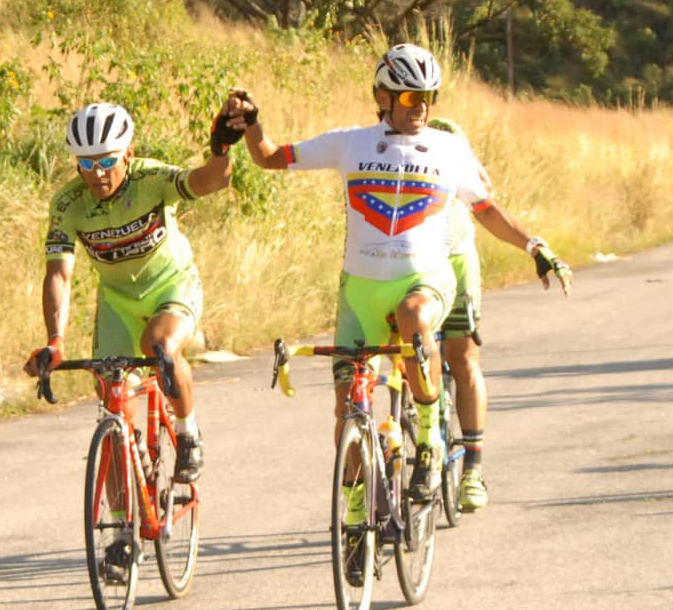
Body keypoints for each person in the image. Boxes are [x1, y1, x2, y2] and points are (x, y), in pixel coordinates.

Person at [225, 43, 572, 512]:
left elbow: (487, 211)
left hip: (426, 280)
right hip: (361, 293)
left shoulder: (448, 149)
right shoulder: (350, 143)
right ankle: (353, 513)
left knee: (414, 317)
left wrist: (534, 247)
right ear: (382, 97)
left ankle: (429, 442)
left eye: (428, 97)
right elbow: (269, 157)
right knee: (348, 406)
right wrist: (252, 124)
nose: (421, 107)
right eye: (410, 98)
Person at [23, 100, 241, 488]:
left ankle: (188, 431)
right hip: (118, 302)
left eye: (107, 161)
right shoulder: (68, 204)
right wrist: (55, 341)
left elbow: (211, 180)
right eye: (86, 163)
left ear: (128, 153)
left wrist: (220, 148)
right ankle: (120, 519)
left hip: (172, 286)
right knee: (113, 408)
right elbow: (58, 274)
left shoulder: (151, 179)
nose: (97, 173)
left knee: (159, 345)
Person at [427, 117, 571, 512]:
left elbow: (487, 203)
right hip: (408, 268)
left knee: (462, 358)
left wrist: (535, 248)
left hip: (456, 262)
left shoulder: (457, 156)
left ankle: (472, 470)